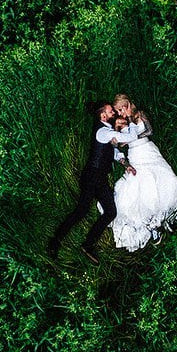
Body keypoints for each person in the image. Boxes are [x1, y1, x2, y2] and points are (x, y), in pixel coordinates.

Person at [46, 101, 125, 259]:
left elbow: (114, 152)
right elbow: (126, 137)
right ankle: (54, 243)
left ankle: (88, 245)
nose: (114, 114)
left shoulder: (108, 131)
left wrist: (125, 163)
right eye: (111, 112)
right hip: (91, 177)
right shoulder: (102, 131)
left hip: (100, 179)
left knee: (110, 212)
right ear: (103, 115)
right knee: (80, 211)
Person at [108, 97, 177, 251]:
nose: (120, 113)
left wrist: (133, 134)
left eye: (121, 109)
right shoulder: (120, 123)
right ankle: (152, 226)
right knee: (145, 186)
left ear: (127, 105)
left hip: (149, 150)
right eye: (117, 111)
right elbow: (118, 143)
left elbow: (149, 130)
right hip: (136, 155)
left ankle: (166, 215)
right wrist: (123, 137)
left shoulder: (139, 114)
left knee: (168, 178)